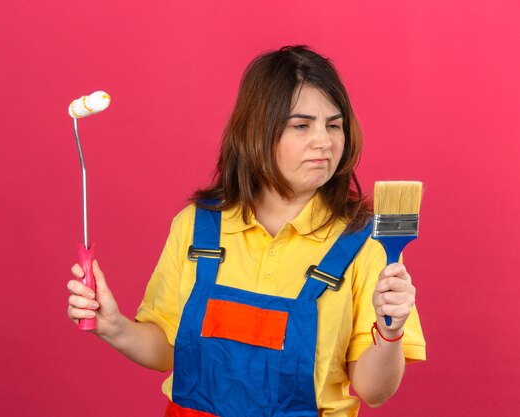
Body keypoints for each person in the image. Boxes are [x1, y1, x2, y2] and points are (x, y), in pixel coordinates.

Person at [67, 45, 425, 417]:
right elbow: (167, 350)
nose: (325, 141)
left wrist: (390, 330)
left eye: (334, 125)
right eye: (302, 125)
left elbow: (374, 390)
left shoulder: (364, 244)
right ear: (257, 130)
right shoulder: (196, 227)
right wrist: (113, 327)